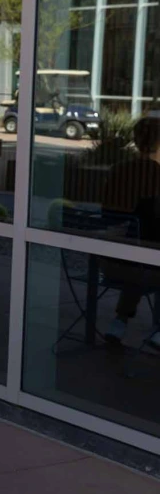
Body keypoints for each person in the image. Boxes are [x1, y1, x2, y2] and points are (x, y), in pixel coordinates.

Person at [100, 116, 160, 350]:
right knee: (147, 256)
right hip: (143, 267)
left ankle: (120, 322)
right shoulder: (156, 175)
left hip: (109, 262)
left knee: (138, 252)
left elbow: (107, 214)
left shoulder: (118, 170)